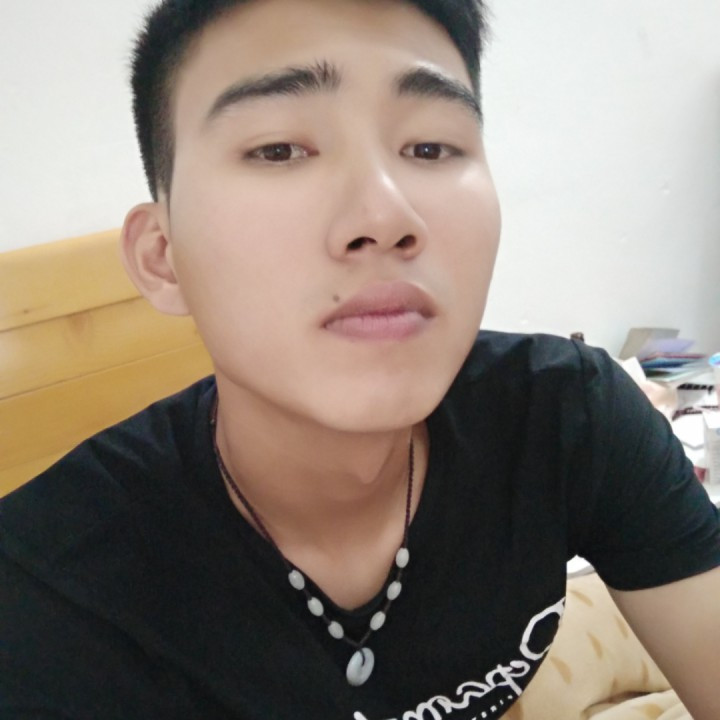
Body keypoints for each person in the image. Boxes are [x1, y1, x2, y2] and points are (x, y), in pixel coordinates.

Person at [1, 0, 719, 717]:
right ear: (163, 257)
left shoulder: (570, 418)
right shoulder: (49, 605)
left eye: (430, 148)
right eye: (279, 150)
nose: (385, 217)